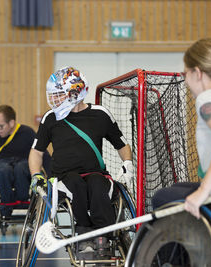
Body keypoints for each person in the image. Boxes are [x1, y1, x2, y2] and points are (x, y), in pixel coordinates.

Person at [152, 38, 211, 252]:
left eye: (186, 74)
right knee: (178, 189)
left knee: (163, 198)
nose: (186, 81)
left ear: (198, 72)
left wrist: (204, 191)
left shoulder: (208, 98)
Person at [28, 67, 133, 256]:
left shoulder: (101, 114)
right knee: (76, 184)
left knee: (98, 184)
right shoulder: (51, 118)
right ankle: (83, 232)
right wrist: (36, 174)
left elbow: (122, 144)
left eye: (59, 94)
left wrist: (127, 164)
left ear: (75, 93)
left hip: (96, 173)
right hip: (63, 178)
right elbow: (36, 152)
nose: (55, 99)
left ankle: (104, 236)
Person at [0, 105, 51, 219]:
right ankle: (6, 206)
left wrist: (52, 174)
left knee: (21, 168)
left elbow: (42, 153)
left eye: (0, 126)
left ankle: (23, 204)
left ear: (11, 123)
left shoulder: (27, 133)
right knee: (3, 170)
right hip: (2, 163)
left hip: (23, 163)